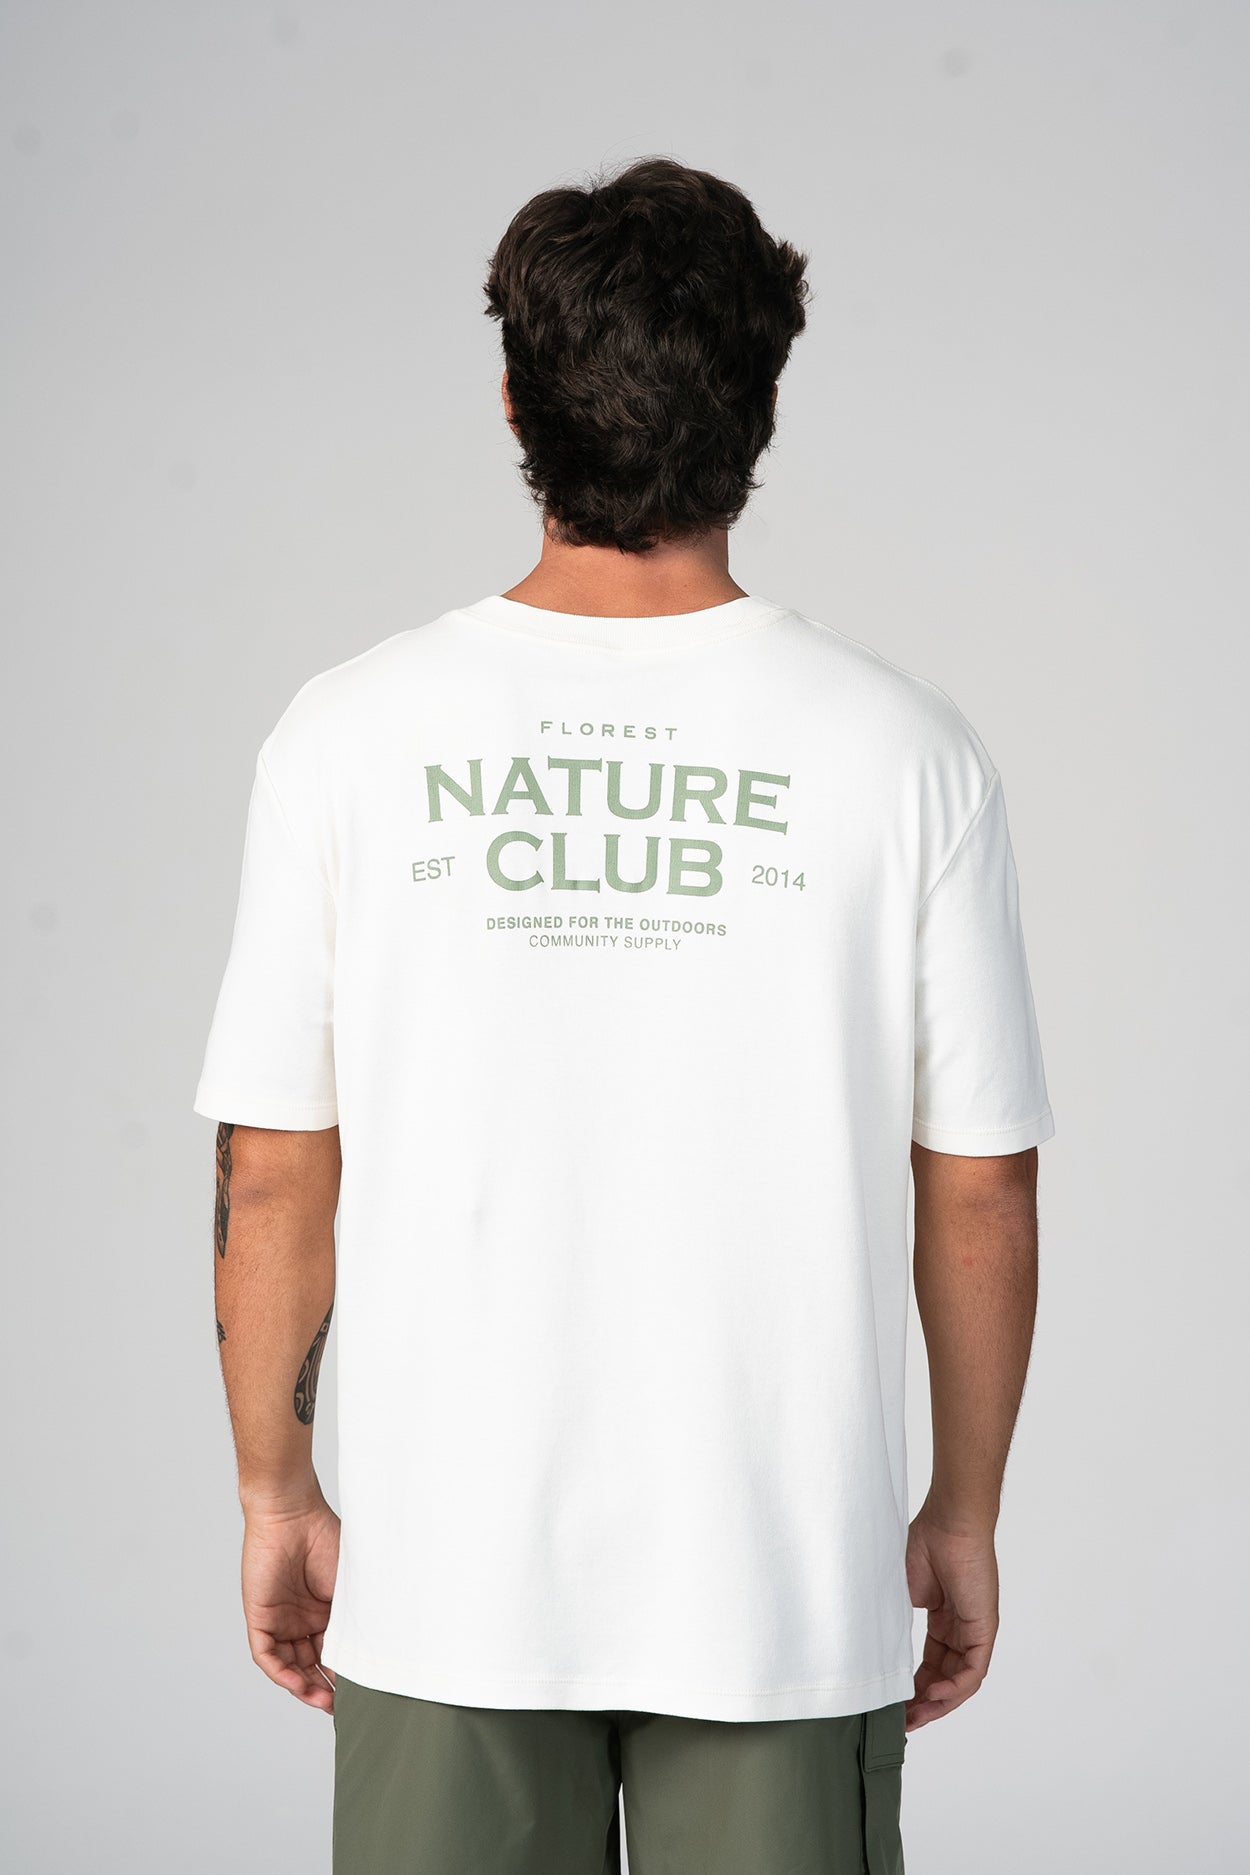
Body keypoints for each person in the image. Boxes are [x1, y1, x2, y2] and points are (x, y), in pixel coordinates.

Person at [193, 156, 1055, 1875]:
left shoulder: (350, 734)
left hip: (447, 1579)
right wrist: (960, 1514)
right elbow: (978, 1185)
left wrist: (276, 1493)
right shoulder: (902, 751)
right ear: (762, 403)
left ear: (515, 400)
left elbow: (276, 1166)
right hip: (780, 1582)